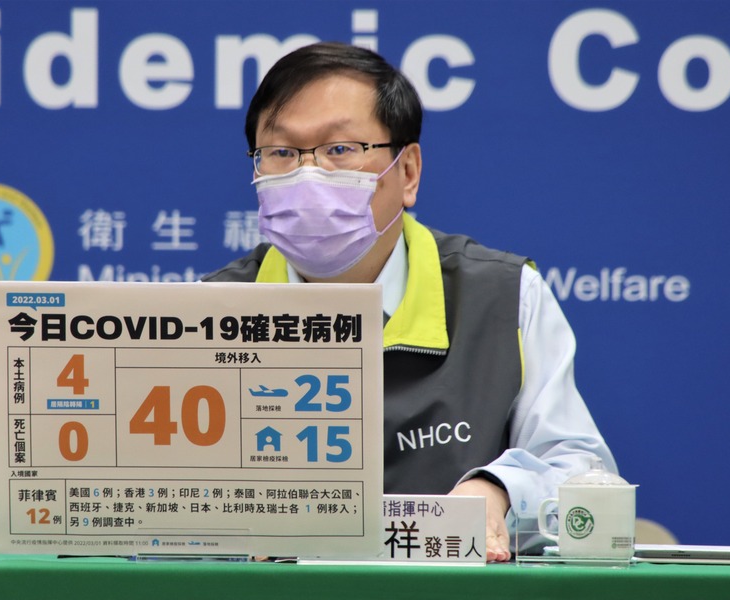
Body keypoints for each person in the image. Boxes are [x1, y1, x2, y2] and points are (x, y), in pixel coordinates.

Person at [202, 41, 617, 562]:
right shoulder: (203, 315)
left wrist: (501, 493)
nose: (309, 174)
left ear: (408, 172)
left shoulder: (504, 296)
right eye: (282, 153)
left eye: (340, 149)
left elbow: (585, 475)